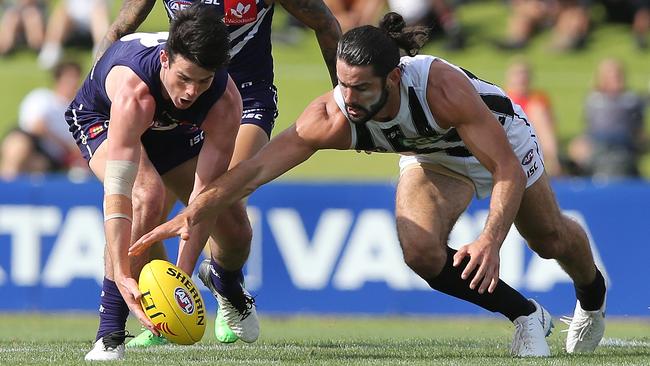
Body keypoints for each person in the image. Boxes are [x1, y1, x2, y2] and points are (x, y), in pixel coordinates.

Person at [133, 12, 608, 357]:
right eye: (342, 85)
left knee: (548, 240)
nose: (349, 98)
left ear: (394, 76)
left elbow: (505, 167)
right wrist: (197, 210)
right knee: (420, 252)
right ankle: (527, 315)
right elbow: (254, 171)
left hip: (498, 140)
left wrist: (489, 238)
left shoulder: (441, 89)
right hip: (430, 156)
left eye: (362, 88)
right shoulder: (332, 116)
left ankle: (592, 296)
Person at [96, 0, 342, 347]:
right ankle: (157, 314)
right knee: (144, 209)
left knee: (224, 201)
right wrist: (104, 95)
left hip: (245, 98)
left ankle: (224, 281)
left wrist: (344, 101)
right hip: (178, 97)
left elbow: (325, 22)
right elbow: (121, 27)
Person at [66, 4, 257, 361]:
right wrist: (123, 275)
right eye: (184, 78)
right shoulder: (133, 93)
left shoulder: (224, 101)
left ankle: (226, 285)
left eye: (202, 81)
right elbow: (119, 195)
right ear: (166, 59)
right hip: (103, 116)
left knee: (234, 226)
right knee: (146, 195)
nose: (190, 92)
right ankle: (109, 333)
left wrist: (180, 283)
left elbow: (201, 205)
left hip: (169, 129)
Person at [0, 61, 84, 179]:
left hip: (52, 158)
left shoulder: (79, 112)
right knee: (18, 147)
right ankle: (6, 189)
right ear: (58, 79)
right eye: (69, 78)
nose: (73, 83)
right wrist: (64, 145)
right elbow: (37, 127)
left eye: (76, 78)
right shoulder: (41, 97)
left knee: (40, 166)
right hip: (31, 141)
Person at [568, 58, 646, 177]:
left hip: (624, 143)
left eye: (618, 76)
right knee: (576, 148)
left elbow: (638, 130)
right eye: (611, 76)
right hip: (597, 143)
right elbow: (589, 128)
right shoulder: (594, 99)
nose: (616, 80)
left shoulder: (631, 100)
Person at [504, 60, 562, 176]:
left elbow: (551, 126)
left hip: (535, 143)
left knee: (537, 109)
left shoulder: (538, 98)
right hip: (512, 143)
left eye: (525, 74)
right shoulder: (504, 98)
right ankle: (551, 163)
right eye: (518, 74)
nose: (522, 77)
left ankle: (551, 161)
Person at [38, 0, 111, 69]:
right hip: (72, 29)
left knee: (98, 13)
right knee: (62, 12)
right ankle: (51, 49)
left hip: (93, 30)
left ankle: (101, 53)